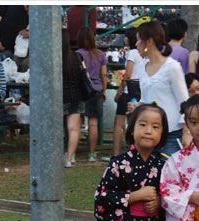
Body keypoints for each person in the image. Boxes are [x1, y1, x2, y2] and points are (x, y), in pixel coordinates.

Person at [94, 104, 169, 221]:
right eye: (142, 124)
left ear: (163, 132)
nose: (148, 131)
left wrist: (160, 201)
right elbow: (101, 199)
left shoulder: (165, 165)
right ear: (132, 127)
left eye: (155, 126)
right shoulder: (118, 163)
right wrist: (135, 196)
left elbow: (173, 197)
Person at [129, 21, 190, 156]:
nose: (136, 44)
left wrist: (186, 132)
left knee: (170, 174)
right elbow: (147, 99)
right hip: (149, 133)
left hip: (172, 133)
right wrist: (138, 106)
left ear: (149, 41)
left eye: (139, 40)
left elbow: (185, 102)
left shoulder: (172, 67)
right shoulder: (141, 66)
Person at [76, 26, 108, 162]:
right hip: (96, 90)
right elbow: (104, 74)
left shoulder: (77, 54)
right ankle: (92, 153)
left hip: (81, 90)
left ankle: (72, 153)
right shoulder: (101, 54)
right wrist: (104, 90)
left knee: (76, 123)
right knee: (93, 123)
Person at [111, 27, 143, 158]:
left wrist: (119, 91)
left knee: (118, 124)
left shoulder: (132, 53)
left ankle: (116, 153)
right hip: (139, 89)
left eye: (125, 36)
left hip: (128, 90)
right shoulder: (143, 53)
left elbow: (128, 74)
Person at [61, 29, 86, 168]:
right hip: (76, 96)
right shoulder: (77, 57)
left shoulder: (55, 58)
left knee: (58, 129)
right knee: (73, 129)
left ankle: (58, 155)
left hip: (59, 97)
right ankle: (69, 158)